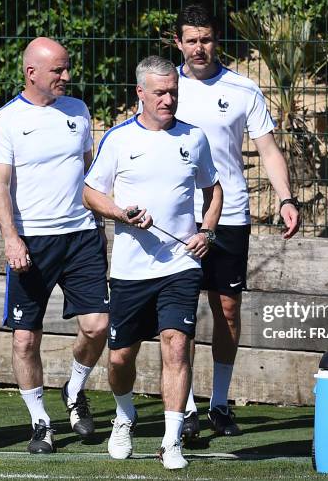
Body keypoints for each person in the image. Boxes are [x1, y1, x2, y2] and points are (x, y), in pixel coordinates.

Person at [83, 55, 223, 469]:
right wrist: (120, 212)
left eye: (173, 92)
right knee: (121, 358)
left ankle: (171, 440)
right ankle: (124, 414)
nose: (168, 99)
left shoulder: (194, 138)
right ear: (140, 93)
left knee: (176, 346)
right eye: (160, 92)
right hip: (129, 271)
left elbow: (214, 191)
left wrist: (207, 232)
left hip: (181, 265)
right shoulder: (119, 139)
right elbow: (92, 193)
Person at [173, 4, 301, 440]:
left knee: (227, 309)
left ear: (216, 40)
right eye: (191, 40)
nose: (199, 48)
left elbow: (267, 149)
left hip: (229, 215)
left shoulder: (243, 89)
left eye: (206, 39)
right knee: (179, 312)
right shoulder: (165, 87)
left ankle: (220, 403)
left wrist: (286, 198)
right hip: (178, 218)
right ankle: (184, 408)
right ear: (178, 43)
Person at [0, 37, 109, 454]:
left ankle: (74, 391)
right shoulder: (5, 120)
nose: (66, 76)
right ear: (31, 72)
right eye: (58, 70)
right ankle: (40, 423)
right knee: (25, 340)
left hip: (81, 236)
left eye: (67, 67)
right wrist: (11, 238)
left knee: (97, 326)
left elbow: (90, 172)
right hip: (31, 242)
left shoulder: (78, 110)